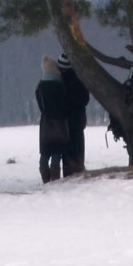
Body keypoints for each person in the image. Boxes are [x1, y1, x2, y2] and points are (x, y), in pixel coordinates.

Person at [34, 55, 69, 183]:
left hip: (45, 123)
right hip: (59, 122)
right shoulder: (59, 85)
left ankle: (45, 179)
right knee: (56, 151)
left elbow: (40, 104)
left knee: (45, 152)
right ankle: (55, 179)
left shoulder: (39, 86)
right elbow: (64, 104)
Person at [56, 53, 90, 176]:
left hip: (66, 122)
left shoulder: (61, 82)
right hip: (78, 122)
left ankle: (70, 172)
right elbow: (85, 100)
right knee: (78, 150)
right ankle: (77, 169)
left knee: (68, 151)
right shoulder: (80, 79)